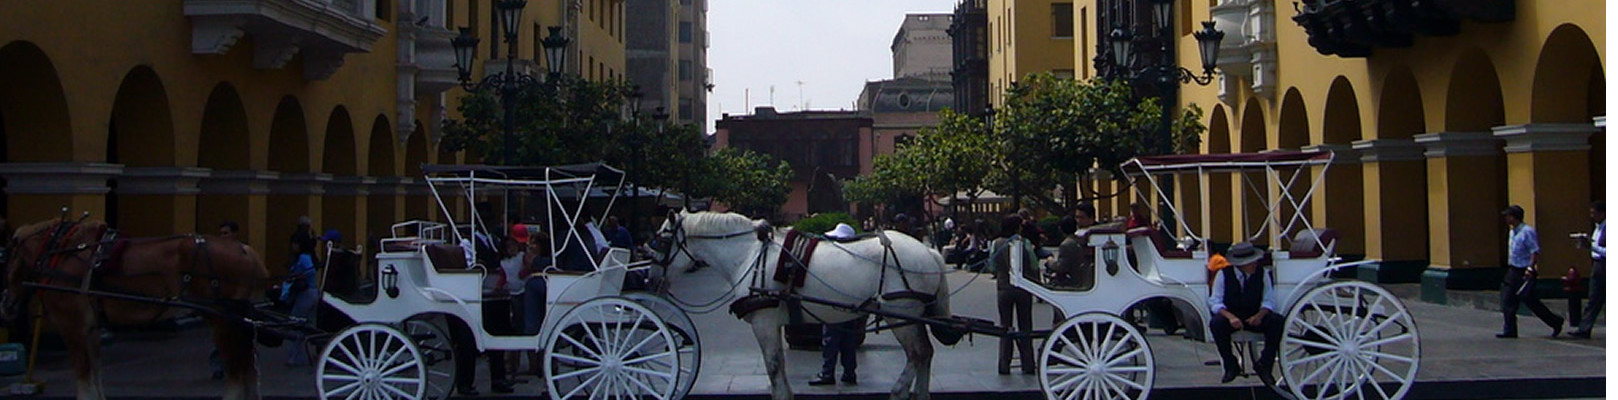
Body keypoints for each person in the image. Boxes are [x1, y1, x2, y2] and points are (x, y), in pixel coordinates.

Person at [1207, 242, 1282, 385]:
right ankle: (1230, 364)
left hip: (1254, 314)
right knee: (1216, 324)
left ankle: (1265, 364)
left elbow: (1269, 300)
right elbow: (1215, 301)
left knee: (1277, 321)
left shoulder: (1262, 273)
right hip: (1232, 315)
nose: (1255, 264)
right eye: (1251, 262)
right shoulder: (1224, 274)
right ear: (1240, 264)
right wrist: (1230, 317)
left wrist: (1259, 316)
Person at [1498, 204, 1565, 338]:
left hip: (1524, 270)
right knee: (1507, 299)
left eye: (1508, 216)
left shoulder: (1527, 231)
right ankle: (1510, 329)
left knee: (1530, 300)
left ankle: (1555, 321)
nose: (1506, 219)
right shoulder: (1512, 232)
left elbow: (1534, 250)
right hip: (1513, 269)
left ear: (1514, 217)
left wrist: (1531, 267)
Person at [809, 223, 864, 386]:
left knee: (830, 339)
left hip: (834, 303)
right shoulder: (855, 259)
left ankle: (827, 373)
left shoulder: (838, 258)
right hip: (850, 306)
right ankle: (849, 372)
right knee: (848, 340)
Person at [988, 214, 1037, 375]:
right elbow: (1034, 264)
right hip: (1023, 289)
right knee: (1025, 327)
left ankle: (1004, 364)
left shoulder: (996, 243)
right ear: (1017, 228)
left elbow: (992, 266)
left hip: (1003, 289)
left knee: (1005, 327)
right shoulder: (1025, 243)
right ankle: (1028, 364)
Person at [1572, 201, 1605, 339]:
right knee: (1594, 298)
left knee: (1596, 296)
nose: (1592, 216)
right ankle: (1584, 328)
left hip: (1605, 264)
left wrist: (1592, 247)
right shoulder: (1598, 228)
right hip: (1597, 264)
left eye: (1594, 213)